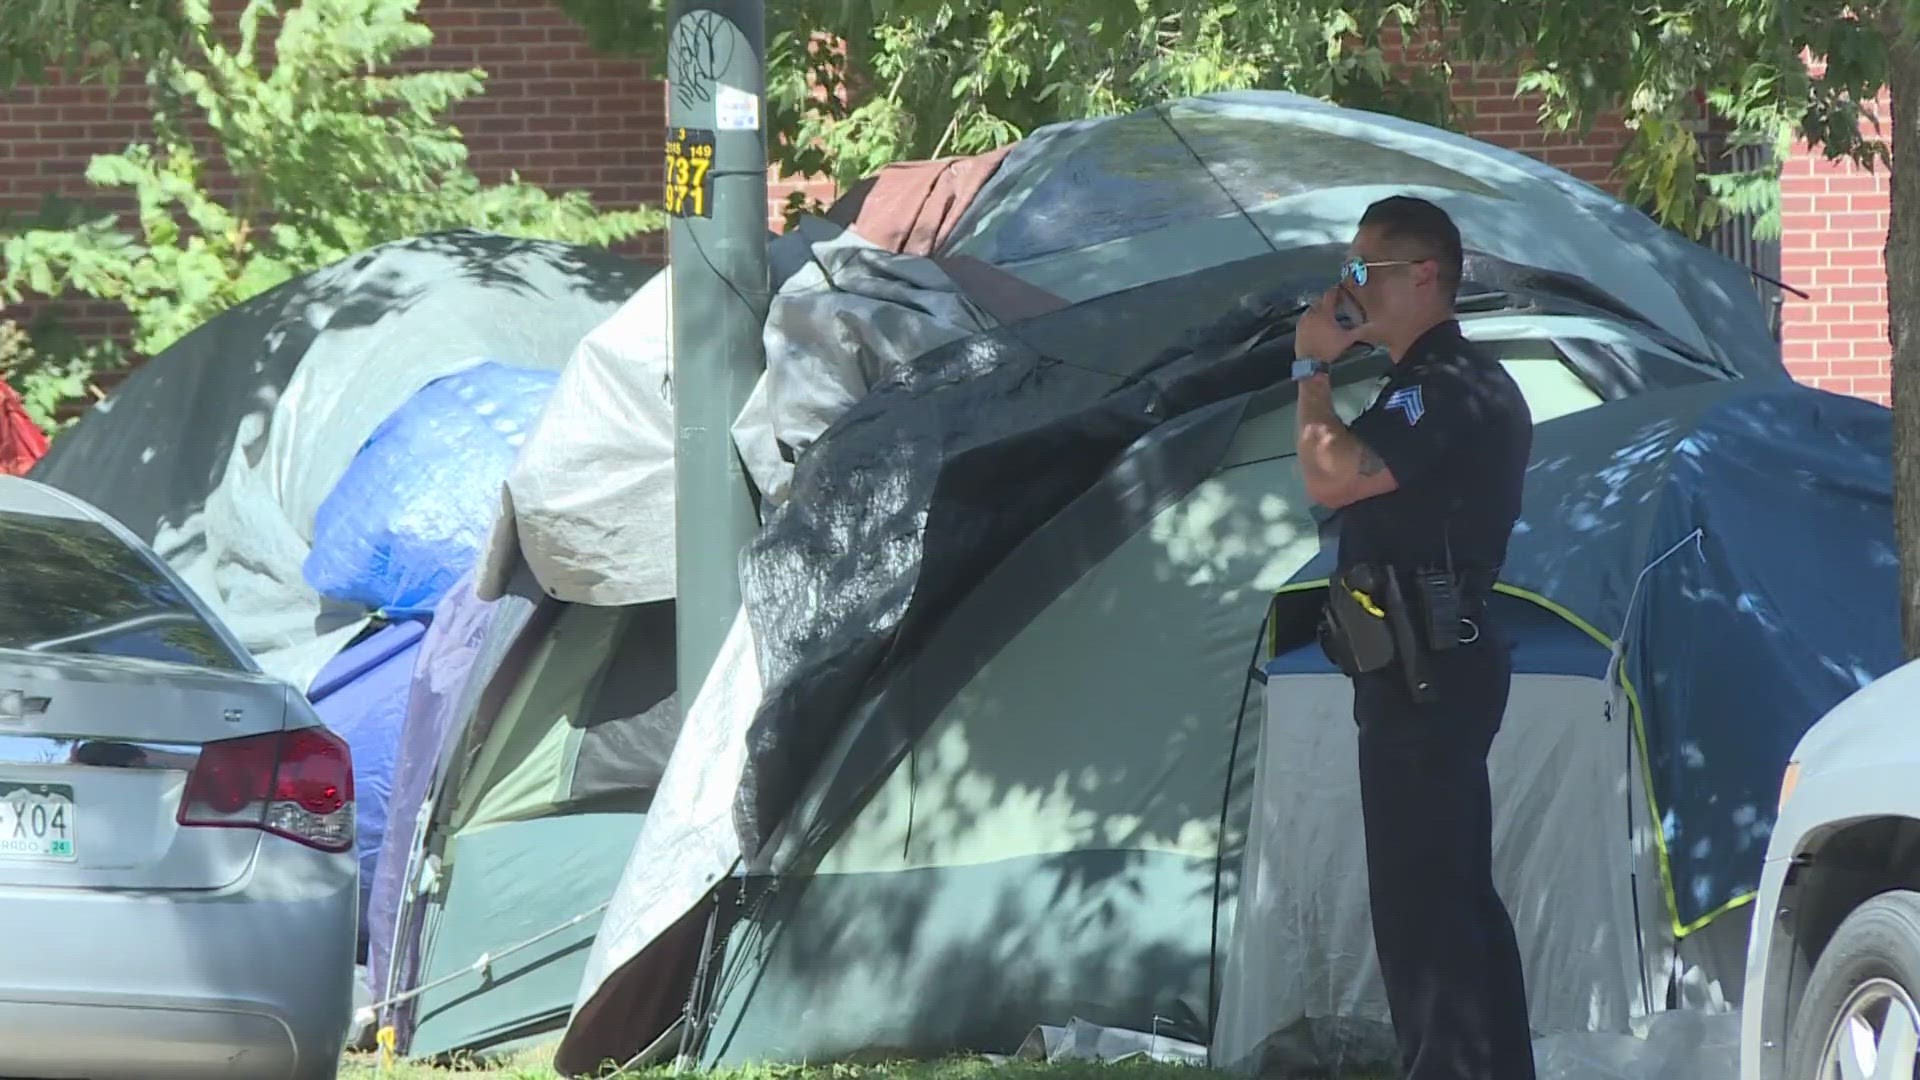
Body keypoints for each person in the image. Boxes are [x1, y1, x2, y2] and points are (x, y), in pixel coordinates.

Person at [1289, 195, 1538, 1080]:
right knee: (1447, 898)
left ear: (1422, 274)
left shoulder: (1444, 385)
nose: (1346, 289)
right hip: (1412, 665)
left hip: (1428, 667)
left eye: (1363, 271)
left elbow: (1332, 475)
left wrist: (1310, 369)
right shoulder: (1419, 382)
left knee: (1424, 910)